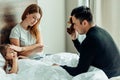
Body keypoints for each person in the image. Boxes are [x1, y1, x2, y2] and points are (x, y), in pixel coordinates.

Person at [61, 6, 120, 78]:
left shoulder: (90, 39)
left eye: (75, 24)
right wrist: (75, 40)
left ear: (84, 23)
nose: (74, 27)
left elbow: (79, 71)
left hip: (109, 76)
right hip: (117, 73)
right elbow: (87, 53)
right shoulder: (101, 32)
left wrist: (62, 67)